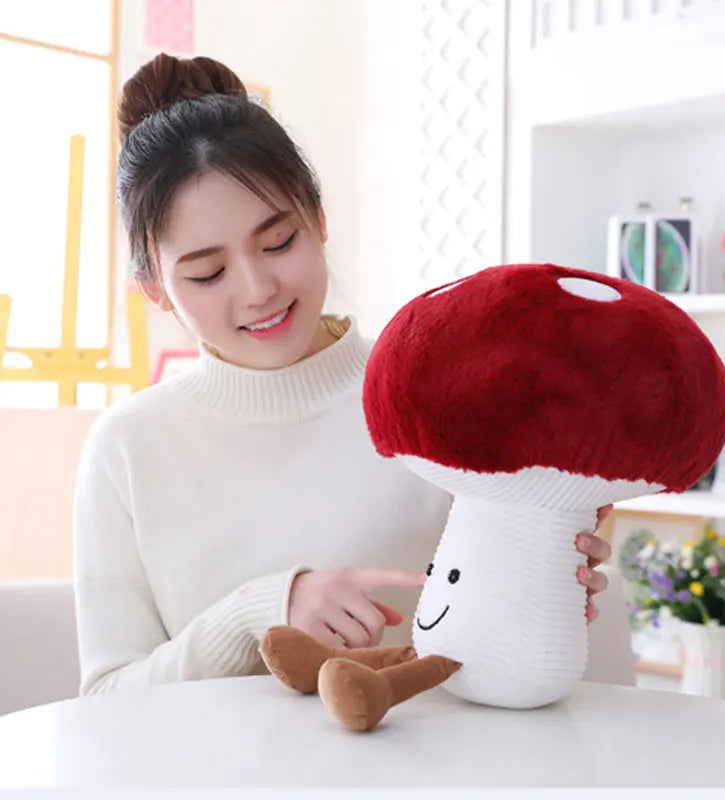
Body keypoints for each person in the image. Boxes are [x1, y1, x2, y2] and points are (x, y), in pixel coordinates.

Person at [73, 53, 613, 695]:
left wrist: (552, 577)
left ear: (319, 221)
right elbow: (106, 699)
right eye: (207, 273)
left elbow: (522, 640)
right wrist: (261, 610)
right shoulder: (128, 446)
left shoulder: (439, 393)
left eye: (279, 243)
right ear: (154, 290)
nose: (258, 289)